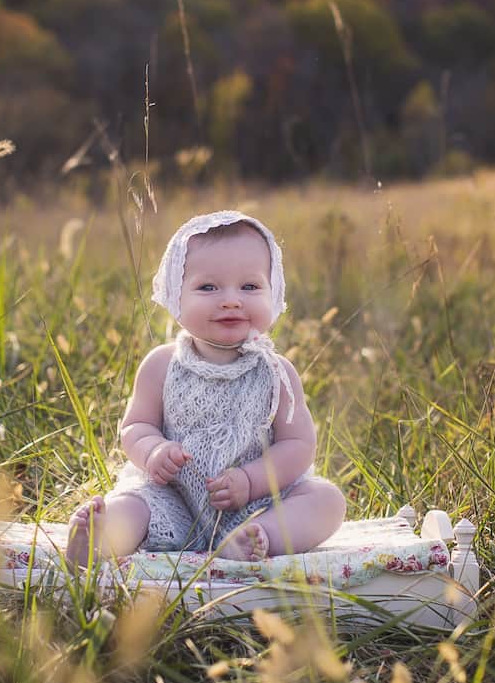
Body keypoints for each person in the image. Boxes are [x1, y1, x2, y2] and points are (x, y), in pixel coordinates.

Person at [65, 210, 347, 568]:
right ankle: (98, 538)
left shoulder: (276, 373)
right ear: (175, 296)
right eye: (208, 287)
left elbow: (298, 444)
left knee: (326, 500)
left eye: (250, 287)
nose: (230, 300)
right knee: (134, 505)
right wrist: (154, 452)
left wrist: (251, 481)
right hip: (172, 500)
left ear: (274, 292)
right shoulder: (161, 365)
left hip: (259, 504)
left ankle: (254, 539)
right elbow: (136, 426)